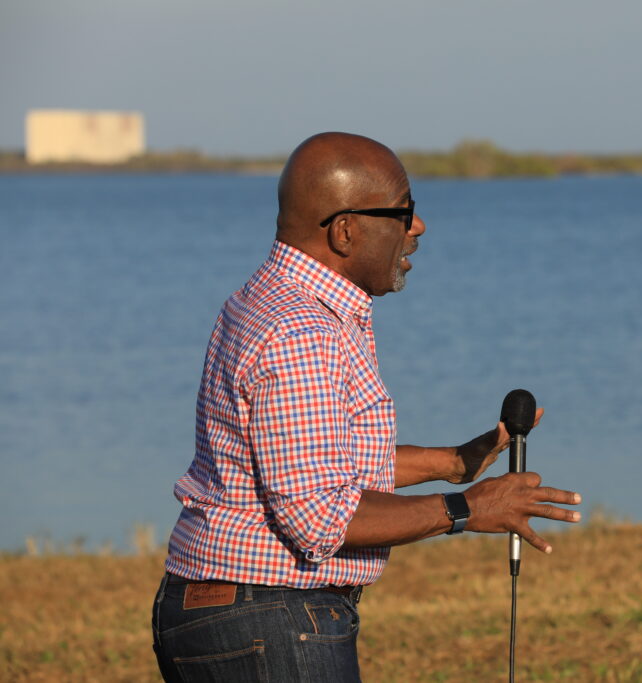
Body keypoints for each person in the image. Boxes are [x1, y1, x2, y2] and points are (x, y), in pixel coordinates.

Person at [151, 132, 582, 682]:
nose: (417, 228)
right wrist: (465, 508)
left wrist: (452, 462)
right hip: (268, 618)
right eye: (404, 213)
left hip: (232, 613)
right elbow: (318, 517)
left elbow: (312, 461)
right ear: (346, 229)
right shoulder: (302, 330)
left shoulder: (270, 300)